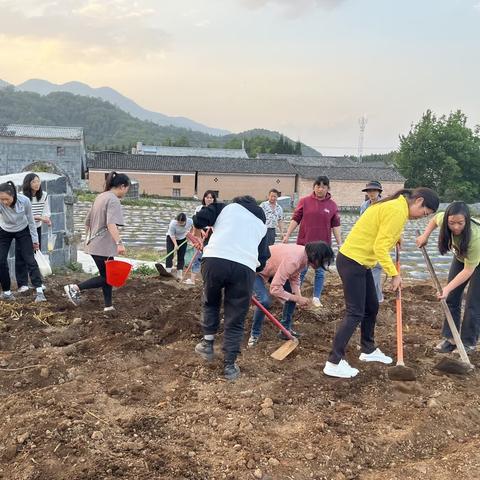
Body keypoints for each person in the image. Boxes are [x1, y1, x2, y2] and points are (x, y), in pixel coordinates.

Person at [324, 187, 439, 378]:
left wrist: (396, 236)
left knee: (371, 306)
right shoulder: (397, 209)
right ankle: (333, 362)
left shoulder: (397, 206)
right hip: (353, 261)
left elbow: (380, 228)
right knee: (355, 313)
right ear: (418, 201)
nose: (421, 217)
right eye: (423, 213)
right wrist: (394, 274)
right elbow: (380, 247)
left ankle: (368, 349)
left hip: (361, 262)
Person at [192, 195, 269, 381]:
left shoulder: (225, 207)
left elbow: (198, 219)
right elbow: (263, 259)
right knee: (236, 316)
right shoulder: (262, 224)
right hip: (245, 268)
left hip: (215, 259)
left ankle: (207, 344)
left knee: (211, 301)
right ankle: (229, 365)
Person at [416, 201, 480, 354]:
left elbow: (468, 271)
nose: (456, 227)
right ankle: (450, 338)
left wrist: (447, 287)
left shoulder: (475, 238)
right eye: (452, 223)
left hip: (474, 261)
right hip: (461, 257)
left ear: (466, 220)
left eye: (460, 223)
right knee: (451, 297)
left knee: (473, 302)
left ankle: (467, 343)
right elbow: (434, 220)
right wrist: (425, 235)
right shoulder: (443, 218)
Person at [64, 171, 130, 312]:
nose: (126, 192)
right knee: (108, 277)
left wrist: (89, 238)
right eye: (127, 189)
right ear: (122, 186)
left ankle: (108, 306)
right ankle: (74, 288)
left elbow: (87, 221)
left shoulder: (100, 196)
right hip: (104, 246)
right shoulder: (113, 200)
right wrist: (119, 243)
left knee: (106, 276)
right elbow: (111, 223)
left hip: (95, 243)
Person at [248, 241, 335, 347]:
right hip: (254, 269)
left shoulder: (305, 257)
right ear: (315, 256)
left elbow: (295, 277)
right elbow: (275, 289)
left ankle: (285, 330)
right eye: (322, 261)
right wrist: (297, 299)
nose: (322, 264)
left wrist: (298, 296)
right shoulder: (294, 260)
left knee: (292, 295)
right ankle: (254, 334)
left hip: (272, 269)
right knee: (264, 301)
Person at [283, 176, 341, 307]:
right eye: (318, 186)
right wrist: (287, 235)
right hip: (305, 243)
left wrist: (339, 243)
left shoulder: (332, 205)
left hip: (323, 245)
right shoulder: (304, 201)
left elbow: (336, 225)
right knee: (300, 271)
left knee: (320, 271)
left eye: (324, 186)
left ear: (328, 188)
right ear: (314, 187)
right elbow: (296, 219)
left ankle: (316, 297)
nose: (320, 189)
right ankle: (297, 295)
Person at [0, 181, 46, 302]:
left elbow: (31, 221)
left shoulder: (24, 201)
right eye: (1, 199)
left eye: (6, 199)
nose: (4, 202)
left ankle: (40, 291)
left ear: (13, 195)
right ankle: (6, 292)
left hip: (22, 230)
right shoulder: (0, 202)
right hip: (5, 231)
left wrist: (35, 240)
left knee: (29, 259)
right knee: (1, 260)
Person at [15, 173, 52, 293]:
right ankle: (22, 284)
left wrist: (43, 218)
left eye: (38, 181)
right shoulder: (21, 197)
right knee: (21, 255)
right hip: (23, 228)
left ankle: (37, 281)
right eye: (34, 182)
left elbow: (47, 213)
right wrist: (40, 218)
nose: (37, 184)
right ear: (28, 184)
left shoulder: (44, 195)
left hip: (36, 228)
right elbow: (22, 215)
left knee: (35, 253)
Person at [185, 190, 217, 285]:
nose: (209, 199)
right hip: (200, 233)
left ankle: (208, 280)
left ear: (214, 199)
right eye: (207, 197)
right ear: (204, 198)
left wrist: (210, 230)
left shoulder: (216, 209)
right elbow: (196, 222)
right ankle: (192, 279)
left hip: (212, 234)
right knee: (197, 256)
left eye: (211, 198)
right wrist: (200, 232)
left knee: (209, 257)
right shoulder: (199, 208)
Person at [359, 181, 384, 303]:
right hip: (366, 241)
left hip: (380, 241)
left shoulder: (385, 205)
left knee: (376, 268)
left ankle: (375, 299)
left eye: (374, 190)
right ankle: (376, 297)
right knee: (367, 269)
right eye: (369, 191)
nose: (371, 193)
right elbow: (361, 224)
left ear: (379, 191)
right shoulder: (364, 206)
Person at [165, 212, 193, 280]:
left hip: (182, 238)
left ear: (185, 221)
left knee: (181, 256)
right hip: (171, 238)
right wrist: (175, 245)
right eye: (178, 222)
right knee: (170, 254)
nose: (180, 224)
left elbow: (193, 227)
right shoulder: (173, 224)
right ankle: (167, 271)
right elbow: (172, 235)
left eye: (182, 222)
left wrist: (189, 235)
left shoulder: (190, 221)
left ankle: (179, 274)